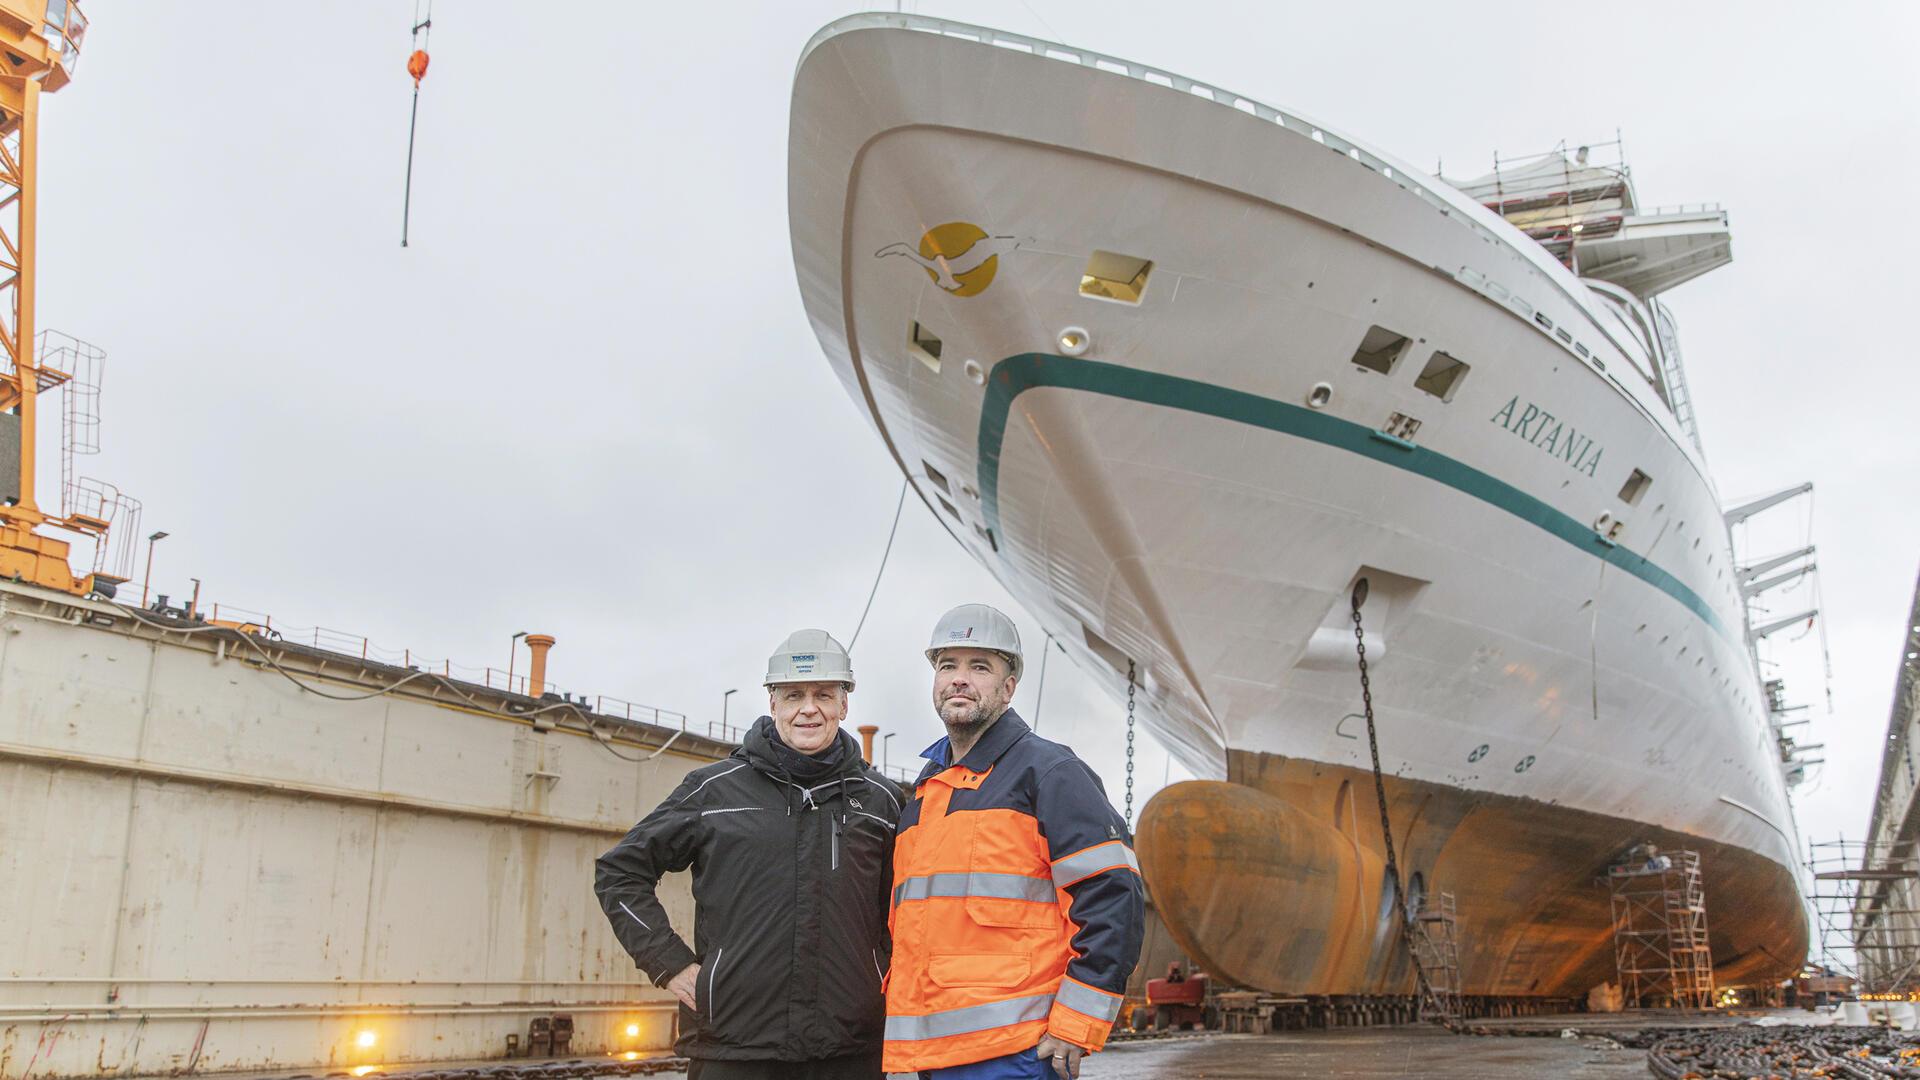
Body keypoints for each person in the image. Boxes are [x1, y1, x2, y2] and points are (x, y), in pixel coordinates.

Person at [594, 629, 901, 1080]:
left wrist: (879, 984)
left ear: (844, 703)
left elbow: (905, 913)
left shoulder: (881, 803)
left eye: (824, 694)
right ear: (773, 702)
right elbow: (620, 873)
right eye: (794, 695)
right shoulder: (714, 791)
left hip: (851, 1051)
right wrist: (671, 966)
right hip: (734, 1050)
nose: (809, 708)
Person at [883, 604, 1145, 1080]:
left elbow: (1112, 898)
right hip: (938, 1055)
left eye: (979, 666)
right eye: (948, 666)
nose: (960, 679)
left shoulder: (1049, 774)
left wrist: (1076, 1024)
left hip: (1020, 1054)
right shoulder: (926, 792)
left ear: (1008, 688)